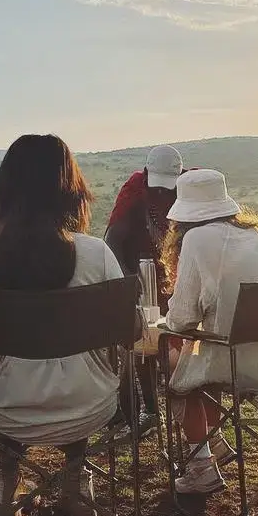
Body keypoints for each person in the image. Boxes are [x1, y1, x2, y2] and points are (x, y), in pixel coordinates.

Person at [0, 134, 125, 516]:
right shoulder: (98, 254)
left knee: (11, 379)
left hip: (5, 411)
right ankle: (75, 486)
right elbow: (127, 332)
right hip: (91, 407)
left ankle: (5, 492)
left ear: (5, 189)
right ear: (72, 190)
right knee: (77, 375)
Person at [161, 169, 258, 494]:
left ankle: (201, 464)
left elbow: (181, 320)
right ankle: (214, 440)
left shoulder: (196, 240)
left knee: (177, 361)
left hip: (239, 363)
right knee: (206, 357)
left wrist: (166, 328)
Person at [104, 145, 183, 430]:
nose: (162, 193)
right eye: (157, 187)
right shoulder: (134, 191)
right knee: (144, 341)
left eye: (168, 187)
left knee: (180, 342)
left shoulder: (188, 187)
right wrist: (127, 278)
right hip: (141, 273)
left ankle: (183, 406)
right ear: (148, 174)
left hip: (176, 274)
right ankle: (150, 411)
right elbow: (113, 239)